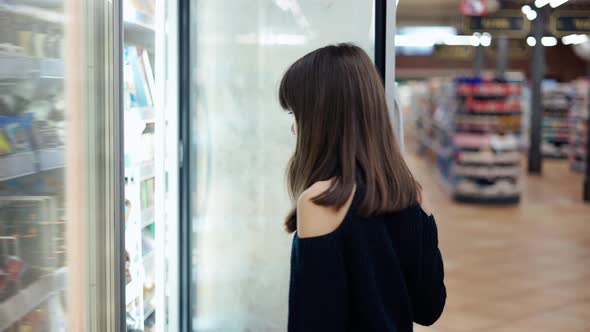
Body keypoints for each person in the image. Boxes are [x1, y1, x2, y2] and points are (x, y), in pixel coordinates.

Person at [279, 44, 446, 331]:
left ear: (321, 117)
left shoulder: (321, 201)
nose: (294, 128)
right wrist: (425, 225)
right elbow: (429, 308)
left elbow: (314, 323)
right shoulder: (411, 193)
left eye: (296, 113)